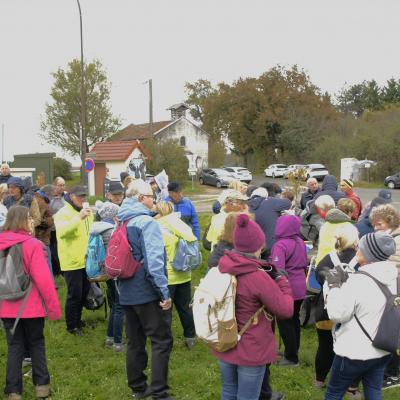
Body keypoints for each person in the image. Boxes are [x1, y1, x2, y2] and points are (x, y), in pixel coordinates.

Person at [213, 213, 293, 400]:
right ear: (258, 245)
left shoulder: (222, 266)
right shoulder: (257, 277)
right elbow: (285, 310)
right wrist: (282, 282)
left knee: (229, 390)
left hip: (225, 340)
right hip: (251, 348)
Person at [117, 180, 174, 399]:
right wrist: (164, 293)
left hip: (126, 289)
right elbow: (154, 262)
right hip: (147, 290)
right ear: (141, 199)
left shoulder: (121, 221)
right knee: (161, 340)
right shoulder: (147, 223)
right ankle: (160, 391)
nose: (154, 200)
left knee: (135, 341)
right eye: (151, 196)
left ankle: (138, 387)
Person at [323, 232, 397, 400]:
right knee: (374, 390)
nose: (357, 250)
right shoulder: (395, 277)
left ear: (369, 254)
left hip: (353, 352)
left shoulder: (359, 281)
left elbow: (337, 314)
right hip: (383, 348)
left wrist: (334, 287)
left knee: (334, 392)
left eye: (360, 248)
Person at [0, 206, 61, 400]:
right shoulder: (33, 245)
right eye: (29, 218)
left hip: (7, 306)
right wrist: (53, 309)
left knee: (14, 347)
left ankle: (13, 391)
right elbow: (43, 280)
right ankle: (42, 387)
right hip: (31, 306)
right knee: (36, 344)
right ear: (23, 221)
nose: (32, 221)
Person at [314, 224, 360, 394]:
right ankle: (351, 386)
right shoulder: (361, 260)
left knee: (325, 347)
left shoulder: (327, 259)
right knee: (352, 350)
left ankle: (319, 380)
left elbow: (319, 279)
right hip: (353, 313)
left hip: (326, 311)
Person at [155, 201, 197, 349]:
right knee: (185, 307)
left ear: (159, 212)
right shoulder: (182, 224)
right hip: (185, 273)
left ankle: (165, 341)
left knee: (166, 309)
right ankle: (191, 337)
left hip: (168, 275)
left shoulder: (159, 227)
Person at [54, 185, 94, 335]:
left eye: (84, 196)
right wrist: (79, 218)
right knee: (74, 294)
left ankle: (78, 320)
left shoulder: (87, 212)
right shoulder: (63, 213)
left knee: (84, 292)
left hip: (86, 259)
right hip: (71, 261)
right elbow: (63, 232)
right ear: (71, 196)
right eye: (79, 196)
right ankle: (72, 326)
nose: (83, 199)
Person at [369, 204, 400, 389]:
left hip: (395, 293)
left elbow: (393, 269)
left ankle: (394, 374)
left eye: (378, 223)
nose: (375, 227)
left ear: (389, 221)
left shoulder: (395, 241)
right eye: (373, 224)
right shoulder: (388, 237)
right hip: (390, 291)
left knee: (393, 332)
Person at [270, 215, 308, 367]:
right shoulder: (300, 242)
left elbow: (278, 270)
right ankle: (292, 350)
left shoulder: (280, 245)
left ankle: (291, 357)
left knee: (285, 323)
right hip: (300, 286)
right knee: (295, 321)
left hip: (287, 288)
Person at [92, 201, 125, 352]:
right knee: (119, 306)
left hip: (104, 272)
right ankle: (118, 342)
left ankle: (110, 338)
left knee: (114, 305)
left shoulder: (96, 229)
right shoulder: (112, 230)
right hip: (115, 273)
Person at [249, 189, 291, 258]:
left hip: (251, 248)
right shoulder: (270, 201)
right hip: (270, 245)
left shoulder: (245, 205)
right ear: (266, 196)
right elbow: (288, 203)